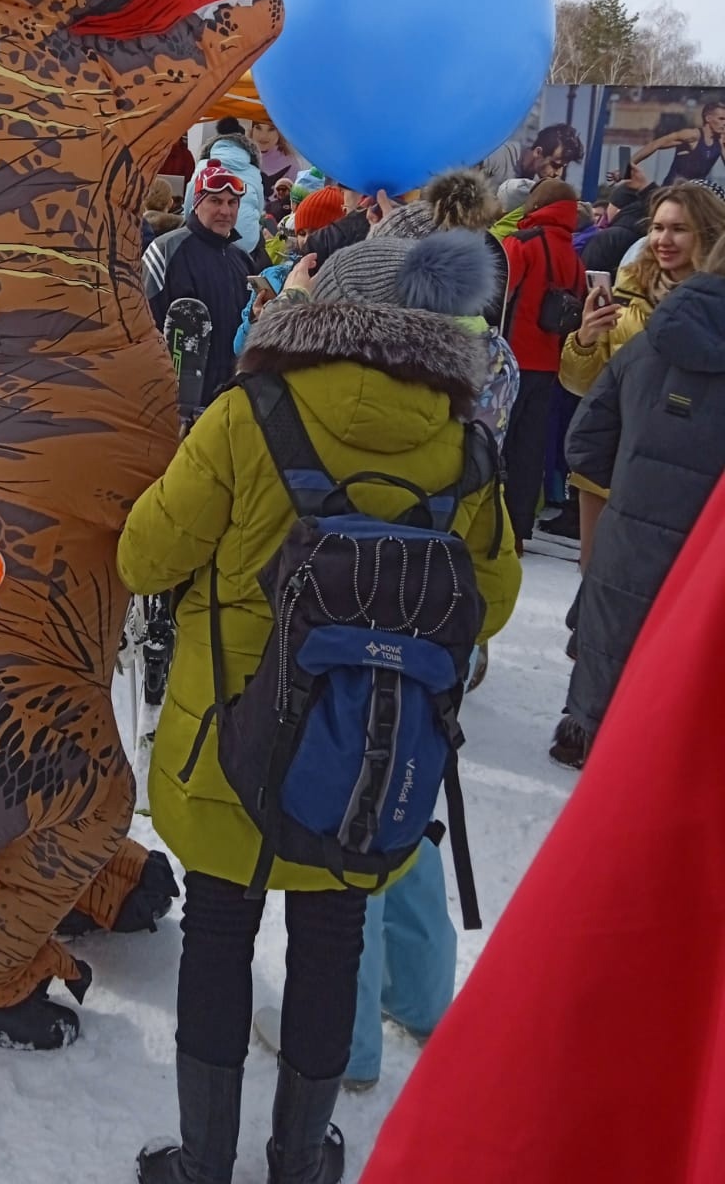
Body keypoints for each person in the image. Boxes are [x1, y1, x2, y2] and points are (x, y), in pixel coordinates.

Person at [120, 229, 520, 1184]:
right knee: (332, 940)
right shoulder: (466, 444)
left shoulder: (246, 414)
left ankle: (202, 1160)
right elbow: (492, 600)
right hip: (368, 749)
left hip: (229, 737)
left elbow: (144, 557)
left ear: (321, 312)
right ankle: (302, 1159)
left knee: (218, 931)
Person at [550, 237, 725, 772]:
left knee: (614, 631)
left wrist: (633, 485)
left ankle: (584, 731)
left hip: (626, 534)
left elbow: (583, 444)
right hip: (707, 554)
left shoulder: (648, 344)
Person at [500, 180, 584, 551]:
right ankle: (519, 529)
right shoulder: (573, 253)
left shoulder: (522, 243)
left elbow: (499, 296)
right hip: (547, 364)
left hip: (511, 359)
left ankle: (492, 526)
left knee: (496, 445)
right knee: (529, 449)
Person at [144, 161, 252, 406]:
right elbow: (140, 323)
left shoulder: (242, 259)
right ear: (197, 202)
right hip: (174, 399)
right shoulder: (165, 250)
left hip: (227, 397)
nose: (225, 211)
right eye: (216, 201)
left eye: (232, 203)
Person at [183, 117, 266, 255]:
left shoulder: (203, 165)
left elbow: (188, 206)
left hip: (204, 240)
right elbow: (260, 207)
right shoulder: (253, 171)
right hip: (247, 244)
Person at [628, 98, 725, 185]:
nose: (724, 123)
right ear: (708, 118)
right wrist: (626, 168)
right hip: (672, 190)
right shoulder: (692, 135)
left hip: (692, 194)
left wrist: (722, 145)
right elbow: (655, 144)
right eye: (721, 119)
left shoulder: (720, 141)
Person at [479, 123, 585, 194]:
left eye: (563, 167)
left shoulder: (536, 186)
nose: (558, 173)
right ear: (538, 152)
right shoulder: (497, 154)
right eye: (555, 165)